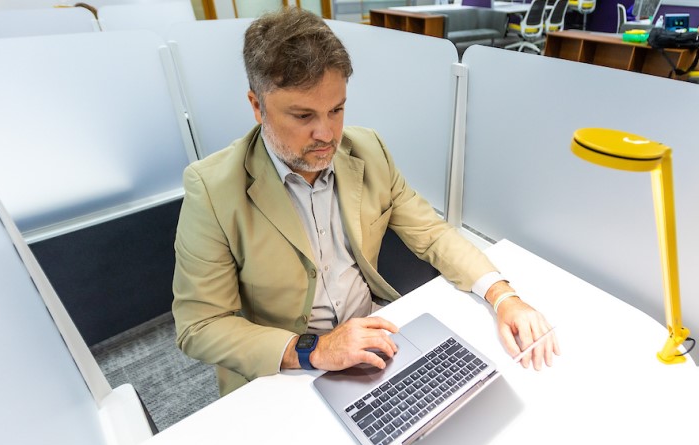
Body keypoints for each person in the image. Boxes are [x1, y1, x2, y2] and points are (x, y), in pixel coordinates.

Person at [172, 7, 560, 397]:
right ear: (257, 107)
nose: (326, 133)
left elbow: (432, 233)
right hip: (287, 364)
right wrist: (315, 349)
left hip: (373, 336)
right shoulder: (212, 189)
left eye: (336, 109)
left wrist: (503, 296)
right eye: (303, 115)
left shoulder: (367, 149)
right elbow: (199, 325)